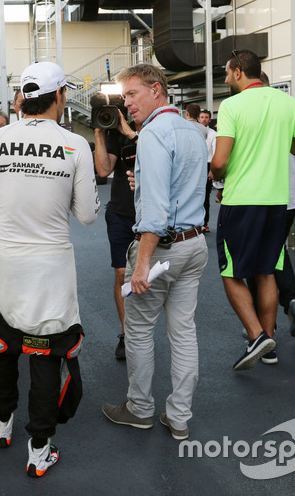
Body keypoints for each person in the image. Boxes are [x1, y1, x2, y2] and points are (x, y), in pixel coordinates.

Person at [0, 61, 99, 477]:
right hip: (51, 266)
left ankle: (2, 421)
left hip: (7, 261)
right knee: (46, 356)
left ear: (22, 99)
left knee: (3, 344)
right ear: (61, 96)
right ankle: (40, 448)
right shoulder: (74, 144)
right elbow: (86, 215)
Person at [101, 64, 208, 441]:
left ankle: (140, 408)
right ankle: (179, 417)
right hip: (195, 244)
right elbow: (185, 185)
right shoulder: (194, 130)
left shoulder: (152, 135)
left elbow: (158, 214)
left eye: (132, 94)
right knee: (183, 333)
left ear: (157, 90)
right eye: (124, 96)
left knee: (140, 330)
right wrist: (142, 184)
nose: (125, 103)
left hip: (163, 250)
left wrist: (141, 264)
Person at [210, 50, 295, 371]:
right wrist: (283, 142)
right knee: (266, 271)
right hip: (276, 202)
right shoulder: (288, 104)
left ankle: (256, 335)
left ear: (239, 72)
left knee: (230, 272)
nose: (226, 79)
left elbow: (219, 161)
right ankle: (268, 344)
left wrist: (216, 175)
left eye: (228, 73)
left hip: (241, 202)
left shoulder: (231, 106)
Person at [244, 72, 295, 358]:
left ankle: (263, 333)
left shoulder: (243, 106)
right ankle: (290, 300)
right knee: (274, 252)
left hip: (255, 196)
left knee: (258, 262)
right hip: (290, 196)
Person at [93, 112, 138, 359]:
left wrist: (130, 132)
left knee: (154, 277)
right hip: (121, 213)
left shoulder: (154, 126)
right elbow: (103, 169)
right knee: (122, 273)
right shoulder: (113, 132)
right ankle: (126, 333)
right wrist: (100, 131)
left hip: (151, 214)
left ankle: (143, 331)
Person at [185, 103, 216, 231]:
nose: (204, 119)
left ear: (209, 119)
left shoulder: (212, 133)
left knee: (204, 196)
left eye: (206, 117)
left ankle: (204, 222)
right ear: (198, 117)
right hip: (192, 164)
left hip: (207, 165)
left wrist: (213, 171)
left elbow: (215, 152)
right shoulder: (188, 128)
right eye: (202, 117)